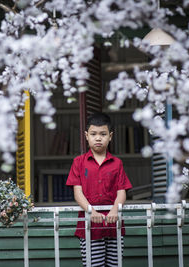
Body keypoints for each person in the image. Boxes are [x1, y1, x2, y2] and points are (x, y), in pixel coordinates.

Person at [66, 112, 132, 267]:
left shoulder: (117, 163)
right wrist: (91, 211)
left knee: (115, 264)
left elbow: (121, 191)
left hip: (113, 223)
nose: (98, 138)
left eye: (103, 134)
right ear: (86, 136)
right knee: (94, 264)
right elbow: (78, 192)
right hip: (90, 224)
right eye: (93, 134)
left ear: (110, 136)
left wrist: (115, 210)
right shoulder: (79, 162)